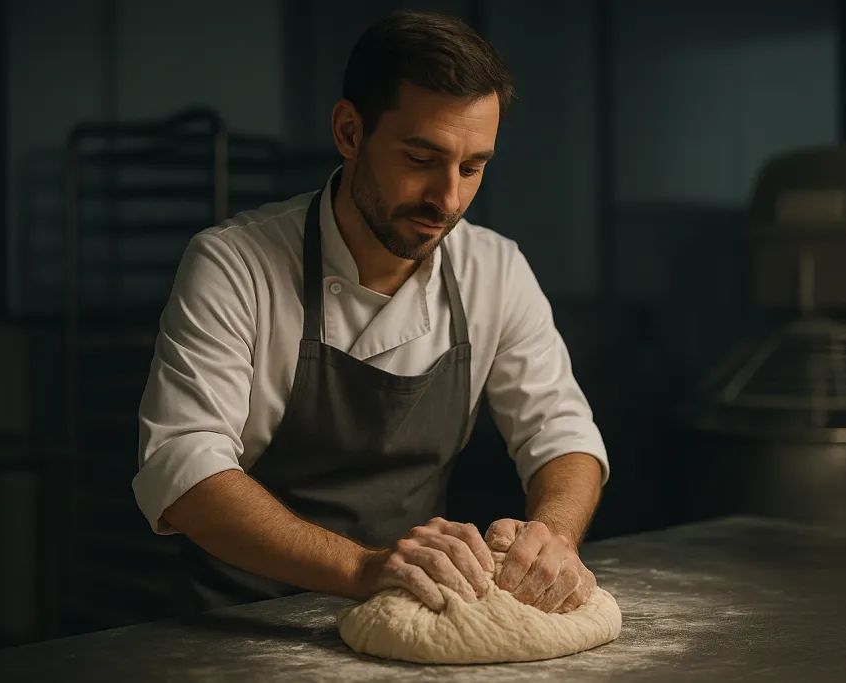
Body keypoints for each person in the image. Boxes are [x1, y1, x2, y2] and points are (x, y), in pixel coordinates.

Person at [133, 9, 610, 618]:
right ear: (349, 131)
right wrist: (361, 567)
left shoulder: (496, 269)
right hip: (240, 621)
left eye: (472, 168)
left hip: (409, 608)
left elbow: (559, 433)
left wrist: (556, 535)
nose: (448, 199)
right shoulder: (233, 264)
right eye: (420, 159)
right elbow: (183, 469)